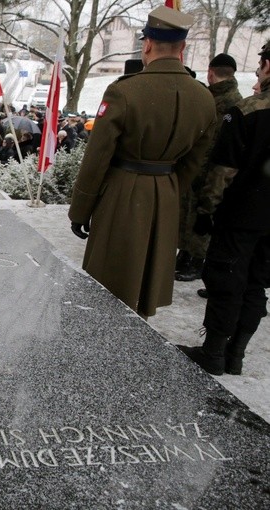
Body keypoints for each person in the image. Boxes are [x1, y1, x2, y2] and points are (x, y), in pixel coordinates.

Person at [67, 6, 216, 318]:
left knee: (108, 285)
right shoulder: (204, 98)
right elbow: (196, 160)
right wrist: (170, 188)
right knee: (143, 284)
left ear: (147, 44)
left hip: (122, 193)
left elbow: (97, 158)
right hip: (166, 194)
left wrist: (80, 210)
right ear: (183, 48)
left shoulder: (125, 91)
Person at [177, 41, 270, 376]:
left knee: (227, 280)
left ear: (268, 66)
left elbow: (223, 170)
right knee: (256, 284)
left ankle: (214, 351)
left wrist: (205, 210)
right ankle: (237, 354)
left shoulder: (248, 111)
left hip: (241, 214)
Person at [176, 53, 243, 282]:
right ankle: (185, 254)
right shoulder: (226, 99)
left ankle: (196, 261)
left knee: (202, 215)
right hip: (203, 167)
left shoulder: (226, 102)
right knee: (189, 213)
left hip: (211, 170)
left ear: (211, 72)